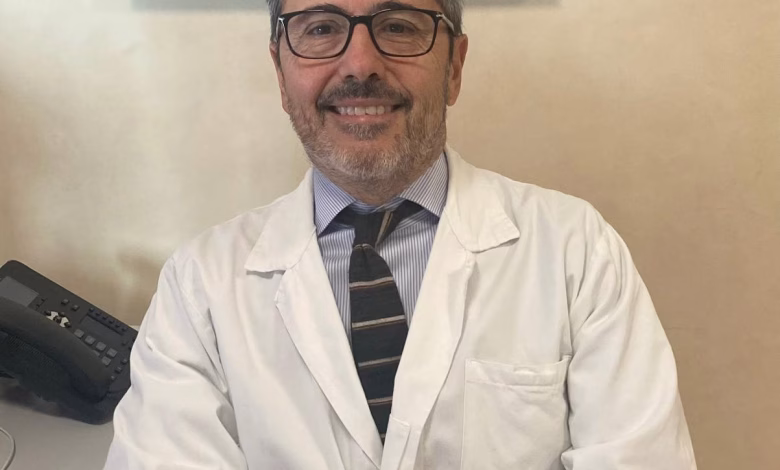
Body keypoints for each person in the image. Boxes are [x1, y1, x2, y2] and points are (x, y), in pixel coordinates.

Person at [104, 0, 697, 468]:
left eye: (399, 26)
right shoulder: (199, 284)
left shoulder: (576, 249)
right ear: (281, 75)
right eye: (320, 29)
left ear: (454, 67)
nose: (360, 64)